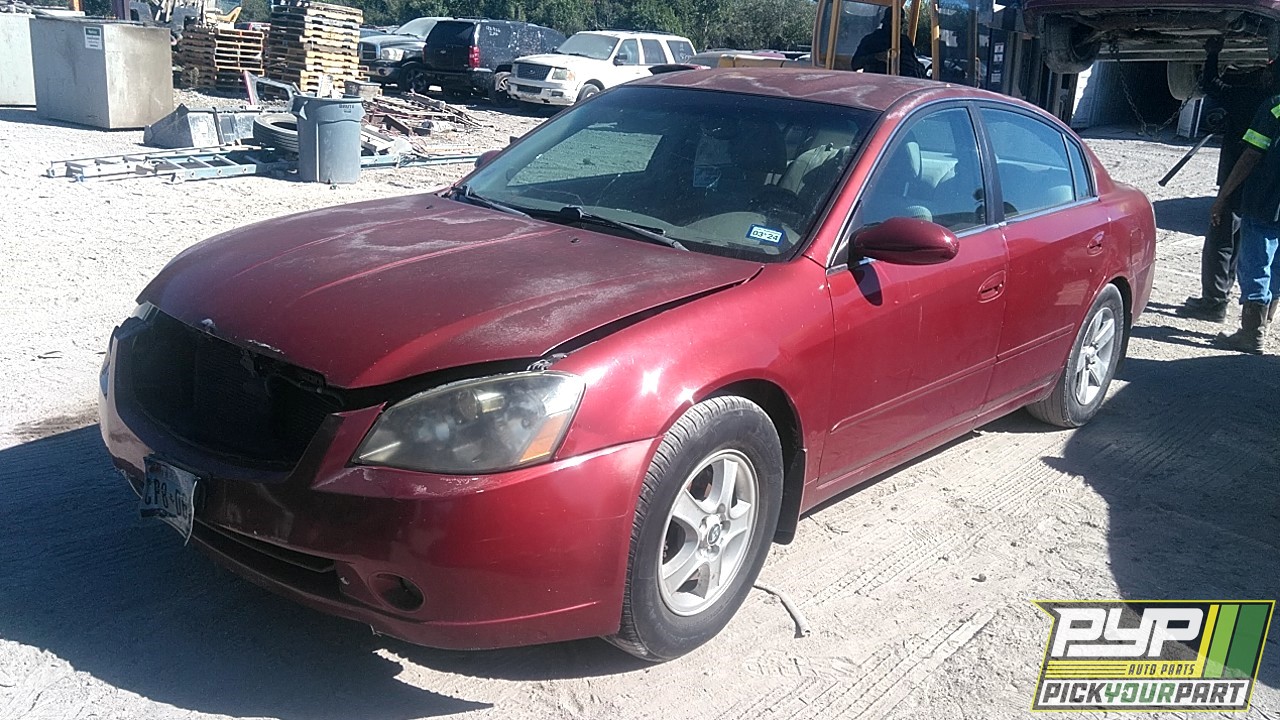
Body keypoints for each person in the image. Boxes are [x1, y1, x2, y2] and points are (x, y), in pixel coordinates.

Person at [1179, 36, 1277, 321]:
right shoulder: (1271, 98)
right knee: (1249, 241)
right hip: (1266, 186)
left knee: (1222, 235)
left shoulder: (1246, 96)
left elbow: (1211, 84)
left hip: (1237, 176)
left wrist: (1213, 53)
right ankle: (1259, 313)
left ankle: (1214, 302)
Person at [1209, 89, 1280, 354]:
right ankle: (1264, 324)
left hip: (1265, 201)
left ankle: (1252, 334)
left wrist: (1223, 195)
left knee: (1256, 265)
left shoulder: (1274, 107)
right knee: (1276, 268)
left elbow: (1251, 155)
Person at [849, 15, 927, 78]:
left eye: (900, 23)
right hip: (877, 84)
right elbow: (855, 63)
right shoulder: (871, 40)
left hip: (904, 83)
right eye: (894, 22)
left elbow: (914, 60)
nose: (898, 26)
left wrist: (919, 68)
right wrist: (876, 57)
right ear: (886, 22)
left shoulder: (905, 41)